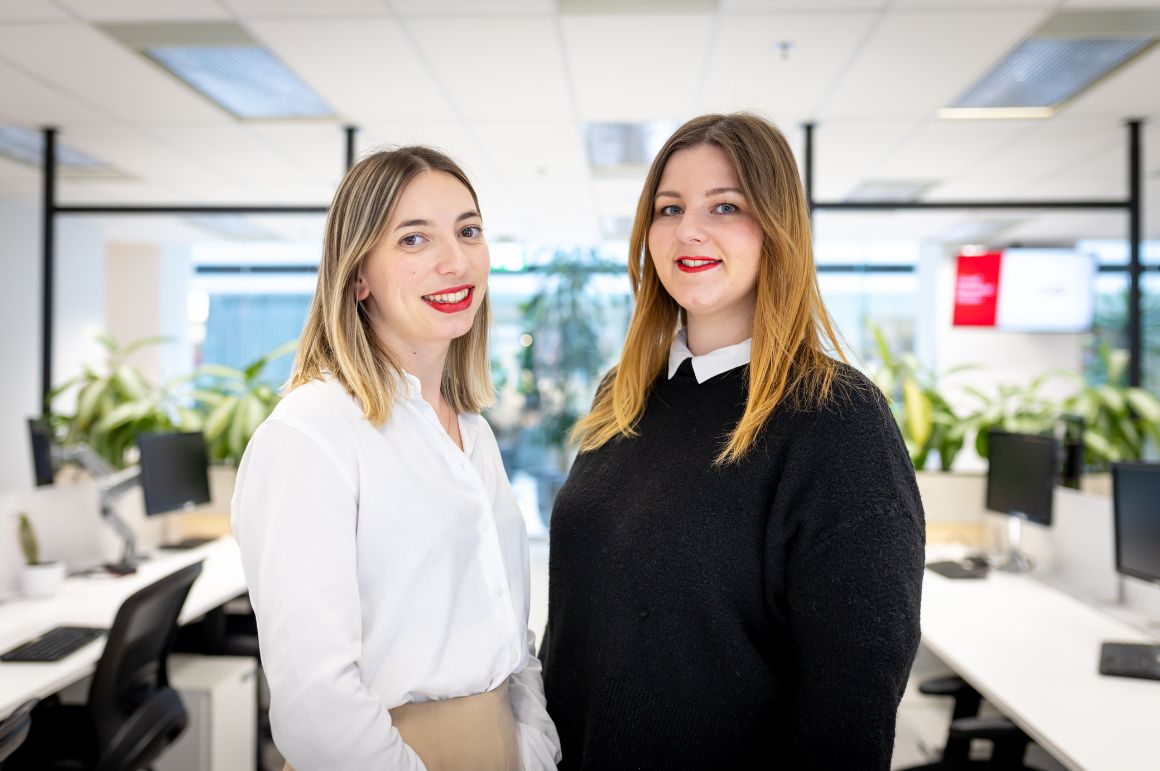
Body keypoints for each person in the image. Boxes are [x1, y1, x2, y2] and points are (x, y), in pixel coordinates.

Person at [541, 113, 925, 770]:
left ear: (777, 229)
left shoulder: (835, 415)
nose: (690, 229)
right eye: (670, 207)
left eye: (726, 205)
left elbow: (851, 699)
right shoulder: (624, 393)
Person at [232, 146, 561, 771]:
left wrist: (534, 748)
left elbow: (509, 633)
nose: (455, 261)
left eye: (469, 231)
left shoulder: (473, 434)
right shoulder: (311, 434)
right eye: (414, 240)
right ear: (359, 277)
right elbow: (315, 704)